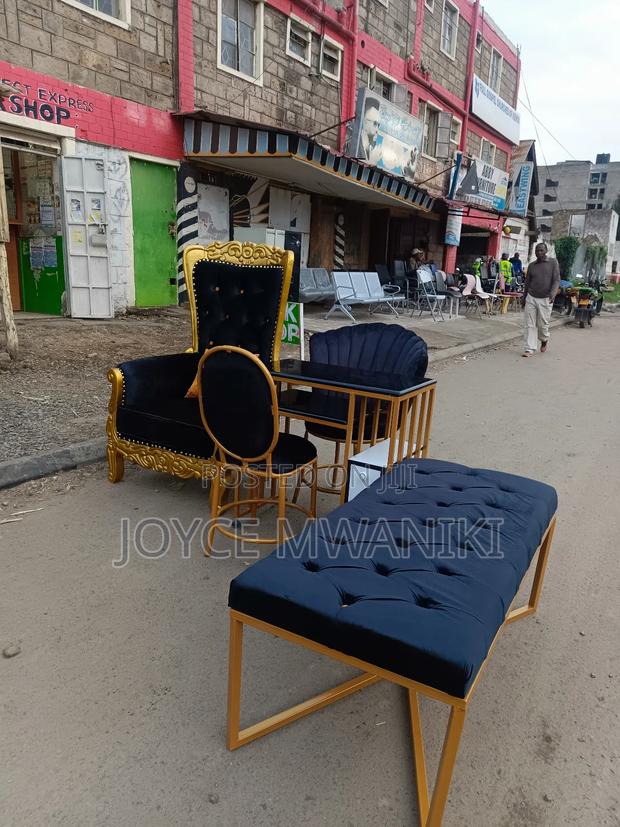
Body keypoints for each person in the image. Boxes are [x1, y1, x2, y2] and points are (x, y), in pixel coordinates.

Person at [521, 242, 560, 358]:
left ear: (546, 251)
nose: (539, 252)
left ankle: (544, 339)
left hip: (546, 298)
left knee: (542, 325)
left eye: (541, 250)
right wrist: (524, 298)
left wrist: (553, 294)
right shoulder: (532, 265)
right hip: (531, 297)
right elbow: (527, 283)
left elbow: (556, 280)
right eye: (537, 251)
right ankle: (529, 348)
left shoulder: (553, 263)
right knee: (529, 324)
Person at [360, 97, 383, 165]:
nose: (377, 130)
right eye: (375, 124)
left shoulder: (371, 149)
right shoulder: (352, 144)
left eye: (378, 125)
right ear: (365, 122)